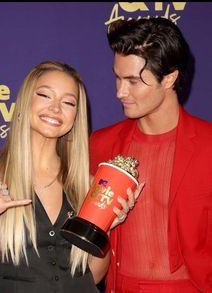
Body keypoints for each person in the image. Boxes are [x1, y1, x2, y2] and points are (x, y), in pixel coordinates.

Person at [0, 61, 139, 293]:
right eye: (45, 95)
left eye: (68, 102)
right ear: (25, 102)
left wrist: (103, 227)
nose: (55, 108)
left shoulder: (89, 185)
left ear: (76, 116)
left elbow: (92, 276)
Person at [89, 17, 212, 293]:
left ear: (169, 78)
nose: (120, 92)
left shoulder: (208, 146)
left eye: (133, 81)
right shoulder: (99, 144)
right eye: (117, 77)